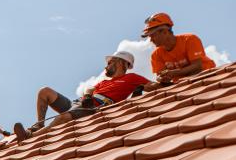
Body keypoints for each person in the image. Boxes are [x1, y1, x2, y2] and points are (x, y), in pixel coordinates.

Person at [14, 51, 149, 141]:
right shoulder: (104, 82)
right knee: (44, 92)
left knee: (62, 118)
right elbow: (89, 88)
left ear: (121, 62)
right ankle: (39, 126)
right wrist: (88, 96)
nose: (106, 66)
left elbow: (153, 86)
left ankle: (30, 136)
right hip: (82, 103)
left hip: (94, 108)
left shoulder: (132, 78)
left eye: (109, 63)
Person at [142, 12, 215, 85]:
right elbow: (159, 75)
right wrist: (162, 78)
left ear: (165, 32)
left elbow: (197, 66)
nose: (151, 40)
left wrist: (175, 73)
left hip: (207, 77)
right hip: (184, 85)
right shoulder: (156, 55)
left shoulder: (190, 39)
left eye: (153, 35)